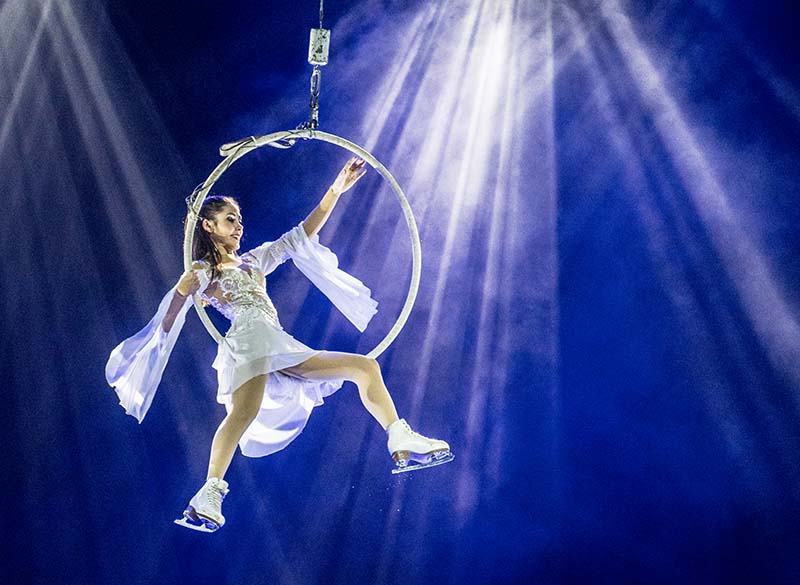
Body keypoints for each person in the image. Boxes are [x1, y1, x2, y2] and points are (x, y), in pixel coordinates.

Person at [106, 157, 452, 533]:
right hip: (249, 341)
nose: (239, 226)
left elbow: (301, 233)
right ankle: (209, 492)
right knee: (242, 414)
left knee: (364, 367)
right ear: (208, 226)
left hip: (275, 340)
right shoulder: (206, 271)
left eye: (239, 219)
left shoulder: (254, 261)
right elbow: (173, 310)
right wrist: (176, 306)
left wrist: (335, 189)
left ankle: (399, 436)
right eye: (229, 219)